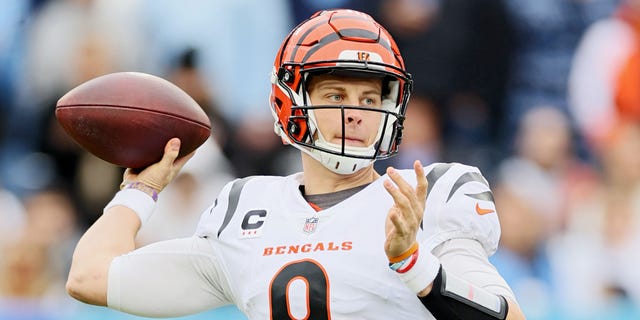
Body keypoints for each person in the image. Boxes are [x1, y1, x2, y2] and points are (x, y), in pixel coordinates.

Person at [66, 9, 525, 319]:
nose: (357, 113)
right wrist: (141, 190)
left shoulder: (428, 194)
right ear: (290, 103)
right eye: (335, 95)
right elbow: (90, 276)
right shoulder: (243, 209)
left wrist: (413, 262)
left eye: (370, 97)